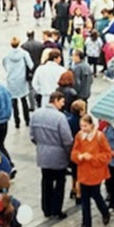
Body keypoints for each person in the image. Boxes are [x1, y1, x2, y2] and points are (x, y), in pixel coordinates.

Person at [29, 91, 74, 219]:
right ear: (56, 100)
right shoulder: (60, 117)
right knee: (59, 183)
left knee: (46, 182)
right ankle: (56, 209)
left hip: (43, 154)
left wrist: (41, 145)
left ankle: (46, 208)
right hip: (58, 156)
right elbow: (67, 140)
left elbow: (32, 136)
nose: (63, 105)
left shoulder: (36, 114)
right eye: (62, 102)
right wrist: (68, 153)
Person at [71, 114, 113, 227]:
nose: (83, 128)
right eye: (81, 126)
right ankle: (86, 223)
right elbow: (74, 151)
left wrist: (93, 158)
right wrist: (79, 156)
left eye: (85, 126)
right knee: (84, 198)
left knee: (96, 194)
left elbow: (107, 155)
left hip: (96, 172)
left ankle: (105, 211)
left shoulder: (100, 136)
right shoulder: (79, 136)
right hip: (83, 171)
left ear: (91, 125)